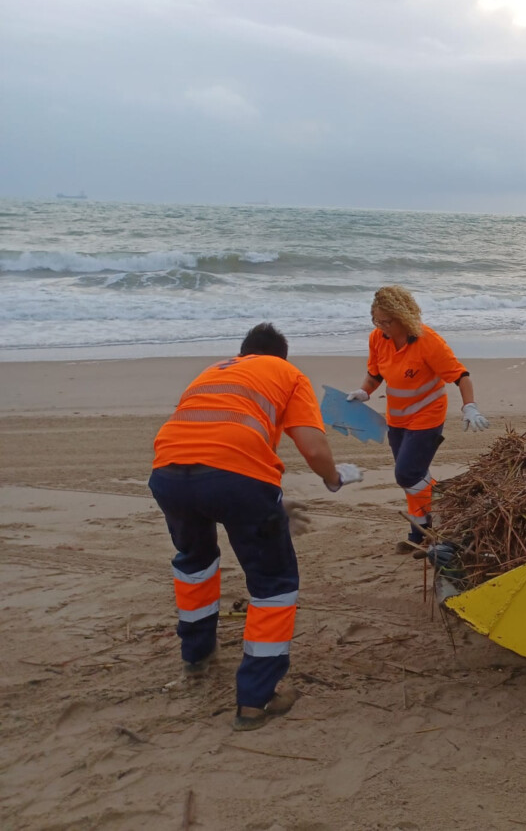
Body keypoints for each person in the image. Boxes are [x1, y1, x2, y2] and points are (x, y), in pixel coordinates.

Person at [148, 323, 362, 732]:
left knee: (194, 563)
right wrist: (334, 478)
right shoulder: (288, 374)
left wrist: (268, 503)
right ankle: (256, 701)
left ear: (242, 352)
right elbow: (313, 447)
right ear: (280, 356)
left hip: (168, 475)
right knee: (274, 584)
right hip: (236, 479)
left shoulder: (214, 372)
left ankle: (197, 657)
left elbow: (212, 442)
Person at [347, 285, 489, 553]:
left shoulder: (428, 341)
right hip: (397, 420)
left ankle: (439, 508)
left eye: (387, 321)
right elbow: (375, 374)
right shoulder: (378, 338)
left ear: (403, 317)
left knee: (407, 474)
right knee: (414, 476)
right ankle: (421, 532)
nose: (381, 326)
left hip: (427, 417)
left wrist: (470, 406)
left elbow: (460, 375)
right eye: (377, 320)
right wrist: (364, 392)